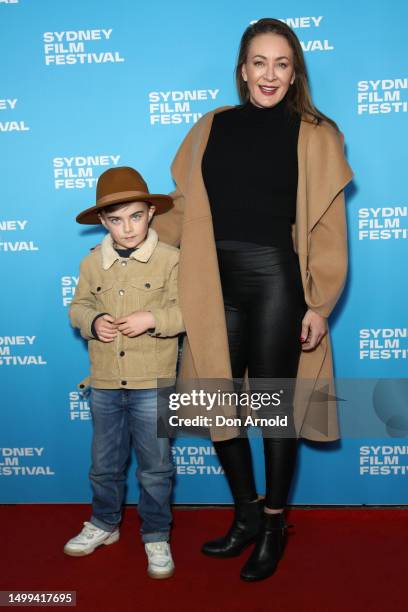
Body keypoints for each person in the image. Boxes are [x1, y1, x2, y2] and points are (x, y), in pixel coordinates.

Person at [151, 17, 354, 582]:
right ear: (243, 71)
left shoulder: (316, 134)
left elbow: (328, 228)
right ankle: (243, 513)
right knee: (217, 402)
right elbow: (182, 206)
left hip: (273, 281)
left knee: (273, 409)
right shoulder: (211, 125)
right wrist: (137, 228)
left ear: (294, 75)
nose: (270, 74)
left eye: (281, 64)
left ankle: (272, 524)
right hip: (211, 281)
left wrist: (319, 304)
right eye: (259, 62)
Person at [64, 166, 185, 580]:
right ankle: (104, 524)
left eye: (135, 216)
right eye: (116, 219)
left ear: (151, 213)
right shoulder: (92, 262)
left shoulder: (172, 260)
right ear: (103, 222)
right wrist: (92, 320)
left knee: (155, 467)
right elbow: (78, 306)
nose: (127, 227)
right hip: (104, 382)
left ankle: (155, 534)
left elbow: (188, 311)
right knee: (104, 464)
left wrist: (153, 316)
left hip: (153, 381)